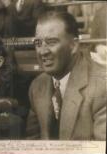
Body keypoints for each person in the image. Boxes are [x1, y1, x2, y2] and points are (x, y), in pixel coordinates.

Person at [28, 11, 106, 140]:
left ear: (73, 45)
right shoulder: (37, 86)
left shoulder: (103, 85)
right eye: (38, 43)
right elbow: (31, 143)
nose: (42, 51)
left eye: (51, 42)